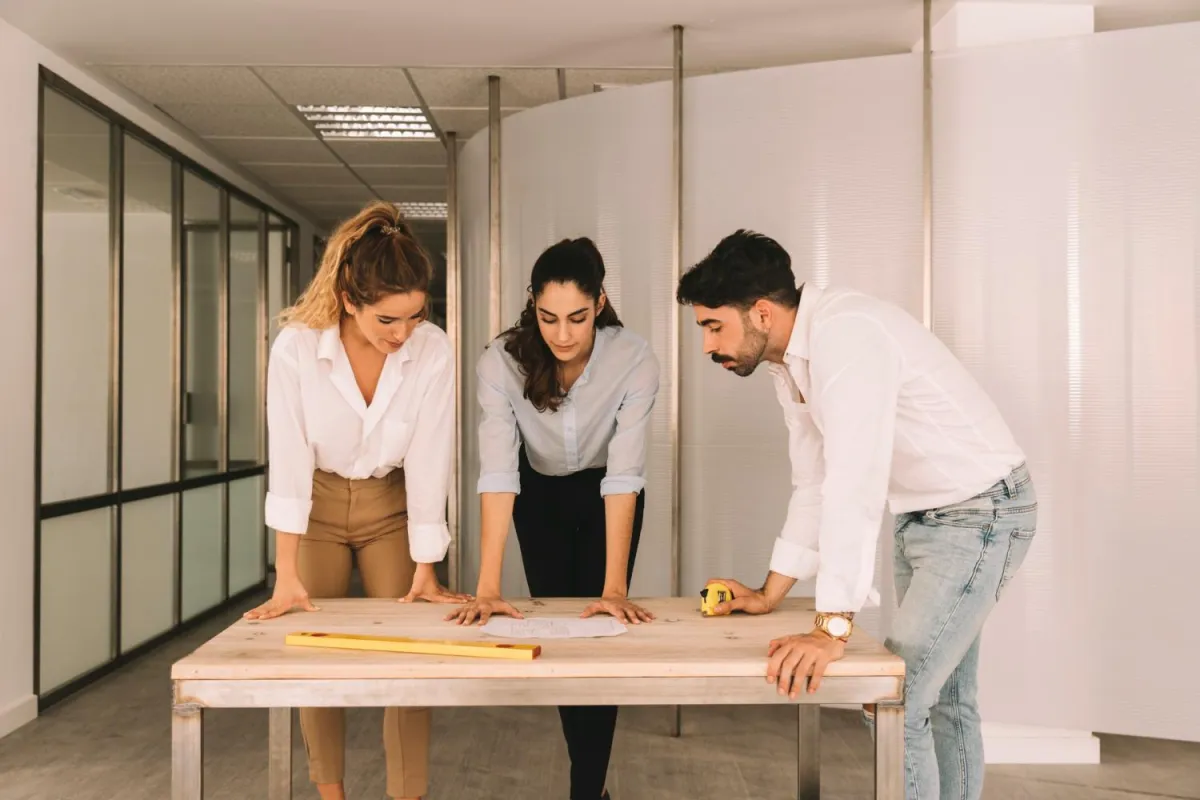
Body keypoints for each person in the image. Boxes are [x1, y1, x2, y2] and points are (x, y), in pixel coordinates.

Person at [675, 230, 1037, 800]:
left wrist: (832, 628)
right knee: (943, 699)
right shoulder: (791, 363)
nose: (706, 346)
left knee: (889, 696)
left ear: (762, 313)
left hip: (980, 514)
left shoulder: (846, 335)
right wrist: (772, 593)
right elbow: (814, 482)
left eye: (712, 326)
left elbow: (855, 482)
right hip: (924, 518)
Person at [244, 201, 470, 800]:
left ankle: (407, 793)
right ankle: (330, 792)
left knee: (411, 655)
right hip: (315, 505)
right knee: (315, 656)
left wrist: (427, 565)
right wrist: (285, 573)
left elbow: (430, 458)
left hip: (391, 506)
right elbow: (288, 460)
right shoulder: (296, 349)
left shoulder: (433, 350)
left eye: (414, 317)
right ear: (349, 298)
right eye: (387, 320)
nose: (402, 335)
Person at [446, 237, 660, 800]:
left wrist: (615, 588)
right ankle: (590, 788)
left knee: (603, 632)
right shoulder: (500, 361)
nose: (562, 335)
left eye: (577, 318)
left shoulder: (633, 358)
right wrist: (486, 587)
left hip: (604, 494)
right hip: (536, 494)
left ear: (601, 303)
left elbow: (623, 474)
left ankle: (585, 790)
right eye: (548, 318)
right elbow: (498, 473)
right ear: (532, 307)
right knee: (562, 640)